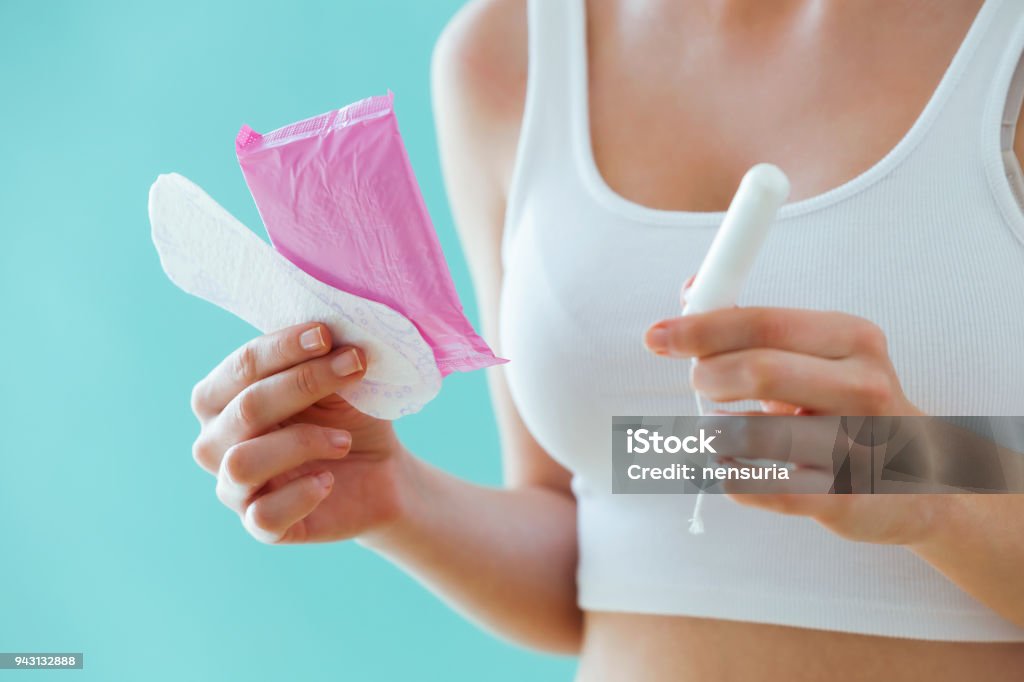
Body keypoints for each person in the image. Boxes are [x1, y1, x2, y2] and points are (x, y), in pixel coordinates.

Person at [187, 0, 1024, 678]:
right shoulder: (506, 51)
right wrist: (394, 496)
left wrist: (929, 482)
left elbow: (912, 472)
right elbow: (599, 537)